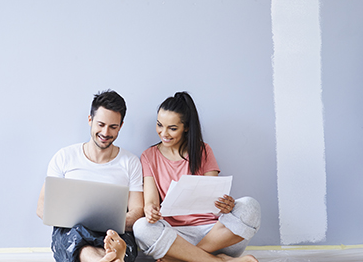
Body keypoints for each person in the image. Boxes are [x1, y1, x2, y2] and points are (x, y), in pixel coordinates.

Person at [133, 92, 261, 262]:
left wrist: (226, 205)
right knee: (141, 227)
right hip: (175, 236)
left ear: (186, 127)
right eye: (159, 125)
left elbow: (215, 197)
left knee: (250, 206)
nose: (164, 133)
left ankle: (184, 258)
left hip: (214, 235)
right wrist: (150, 211)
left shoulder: (203, 151)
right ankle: (216, 260)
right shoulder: (148, 156)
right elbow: (151, 202)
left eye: (172, 128)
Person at [37, 90, 144, 262]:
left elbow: (137, 211)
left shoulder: (130, 162)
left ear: (121, 126)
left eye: (113, 127)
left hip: (113, 233)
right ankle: (112, 258)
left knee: (113, 241)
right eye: (100, 124)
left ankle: (109, 255)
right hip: (72, 233)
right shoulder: (65, 157)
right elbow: (42, 206)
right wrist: (73, 220)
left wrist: (107, 224)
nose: (105, 132)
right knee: (78, 240)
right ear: (90, 120)